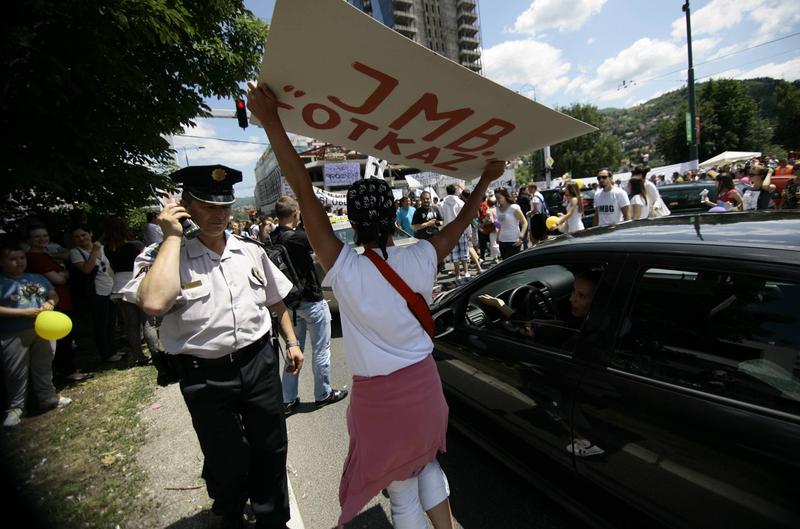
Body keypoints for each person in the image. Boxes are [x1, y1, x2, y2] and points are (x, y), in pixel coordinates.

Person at [247, 80, 506, 529]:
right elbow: (464, 218)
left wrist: (271, 121)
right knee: (428, 467)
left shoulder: (343, 267)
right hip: (426, 390)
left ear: (354, 219)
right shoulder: (424, 256)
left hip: (378, 402)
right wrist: (485, 177)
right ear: (393, 217)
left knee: (401, 490)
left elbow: (304, 195)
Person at [122, 164, 303, 529]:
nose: (219, 215)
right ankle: (231, 513)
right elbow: (155, 303)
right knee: (226, 457)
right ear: (186, 206)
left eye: (224, 207)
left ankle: (272, 519)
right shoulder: (164, 256)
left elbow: (276, 301)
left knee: (270, 448)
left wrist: (292, 341)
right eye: (207, 206)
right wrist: (172, 237)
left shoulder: (249, 250)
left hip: (258, 363)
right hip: (204, 374)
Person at [271, 196, 348, 416]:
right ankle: (323, 393)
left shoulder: (272, 237)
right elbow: (321, 239)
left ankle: (287, 398)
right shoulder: (299, 238)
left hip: (290, 305)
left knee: (294, 350)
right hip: (311, 301)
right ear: (296, 213)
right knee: (321, 350)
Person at [1, 238, 72, 428]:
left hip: (43, 328)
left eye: (22, 257)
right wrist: (22, 313)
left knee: (44, 363)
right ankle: (16, 408)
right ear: (2, 261)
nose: (19, 261)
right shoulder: (2, 282)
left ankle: (48, 397)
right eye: (12, 258)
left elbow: (52, 293)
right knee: (16, 371)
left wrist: (50, 303)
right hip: (13, 333)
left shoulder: (35, 277)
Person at [25, 223, 89, 382]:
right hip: (54, 301)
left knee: (65, 338)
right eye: (37, 236)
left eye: (44, 236)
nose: (42, 239)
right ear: (29, 239)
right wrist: (66, 272)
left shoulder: (45, 255)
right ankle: (68, 371)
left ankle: (66, 369)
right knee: (62, 339)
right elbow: (58, 279)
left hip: (61, 297)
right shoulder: (34, 257)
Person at [104, 217, 159, 366]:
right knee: (148, 322)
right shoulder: (136, 245)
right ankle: (156, 354)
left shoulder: (107, 248)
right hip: (139, 283)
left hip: (119, 286)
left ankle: (138, 355)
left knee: (131, 324)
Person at [69, 224, 121, 362]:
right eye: (77, 237)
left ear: (90, 234)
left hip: (110, 288)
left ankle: (114, 350)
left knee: (111, 322)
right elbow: (86, 269)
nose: (81, 239)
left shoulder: (104, 249)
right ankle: (106, 353)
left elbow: (110, 267)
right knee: (100, 324)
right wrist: (94, 251)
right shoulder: (76, 252)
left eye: (83, 235)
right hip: (96, 292)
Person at [440, 184, 470, 283]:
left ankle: (458, 275)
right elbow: (466, 217)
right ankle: (466, 272)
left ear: (447, 191)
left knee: (454, 255)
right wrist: (469, 232)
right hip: (461, 230)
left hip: (449, 232)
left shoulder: (442, 203)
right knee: (464, 253)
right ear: (456, 191)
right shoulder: (460, 202)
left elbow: (441, 219)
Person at [494, 188, 527, 260]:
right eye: (496, 198)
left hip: (514, 241)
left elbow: (524, 222)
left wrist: (521, 237)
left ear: (505, 196)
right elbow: (500, 225)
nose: (497, 200)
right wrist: (497, 236)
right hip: (502, 241)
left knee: (514, 265)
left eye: (499, 198)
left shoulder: (514, 207)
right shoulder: (498, 209)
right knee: (505, 264)